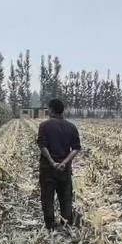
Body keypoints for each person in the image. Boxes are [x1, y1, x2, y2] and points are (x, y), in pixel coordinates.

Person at [37, 98, 81, 230]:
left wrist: (52, 162)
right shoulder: (71, 127)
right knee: (66, 197)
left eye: (48, 109)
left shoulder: (44, 126)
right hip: (64, 170)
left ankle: (50, 225)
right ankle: (66, 223)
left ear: (51, 109)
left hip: (47, 169)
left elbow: (43, 146)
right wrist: (64, 163)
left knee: (47, 197)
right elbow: (76, 148)